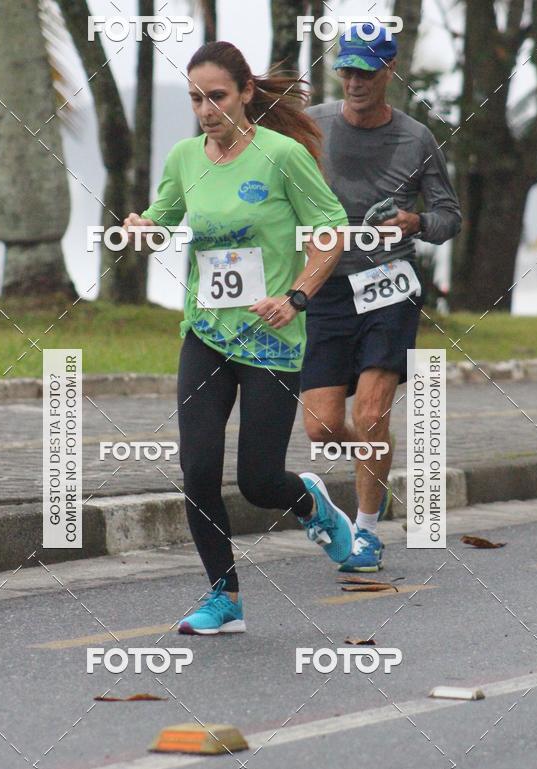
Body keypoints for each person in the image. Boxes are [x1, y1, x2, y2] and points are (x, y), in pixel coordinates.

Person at [124, 41, 355, 635]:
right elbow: (163, 219)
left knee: (258, 481)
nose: (206, 110)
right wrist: (142, 230)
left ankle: (310, 501)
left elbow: (330, 229)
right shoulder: (184, 157)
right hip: (206, 333)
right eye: (196, 99)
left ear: (246, 93)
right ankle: (224, 598)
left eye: (217, 97)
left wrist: (296, 295)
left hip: (272, 338)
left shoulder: (282, 156)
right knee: (198, 470)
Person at [302, 24, 462, 573]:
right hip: (326, 286)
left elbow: (449, 218)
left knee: (371, 414)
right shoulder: (314, 126)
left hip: (389, 286)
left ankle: (367, 529)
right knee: (322, 428)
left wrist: (415, 221)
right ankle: (374, 472)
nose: (355, 82)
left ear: (390, 71)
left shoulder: (416, 139)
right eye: (347, 70)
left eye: (366, 72)